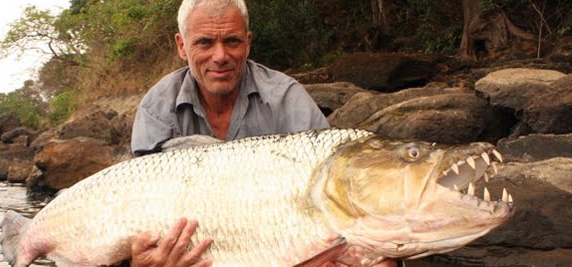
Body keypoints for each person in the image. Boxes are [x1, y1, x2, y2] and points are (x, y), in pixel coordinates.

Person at [129, 0, 398, 266]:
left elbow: (332, 200)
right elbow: (139, 215)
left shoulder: (286, 98)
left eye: (232, 41)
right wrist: (141, 261)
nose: (220, 56)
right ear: (181, 46)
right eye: (205, 43)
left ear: (248, 42)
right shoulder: (156, 109)